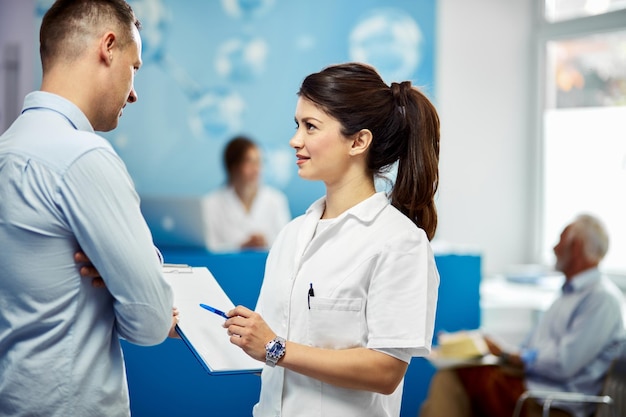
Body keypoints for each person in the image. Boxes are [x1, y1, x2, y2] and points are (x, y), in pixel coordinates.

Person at [223, 62, 441, 416]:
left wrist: (277, 348)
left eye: (310, 126)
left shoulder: (399, 242)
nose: (296, 140)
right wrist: (181, 321)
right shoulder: (292, 234)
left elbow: (386, 371)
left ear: (358, 141)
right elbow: (259, 340)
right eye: (297, 125)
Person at [0, 1, 176, 416]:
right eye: (134, 67)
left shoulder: (8, 149)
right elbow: (152, 323)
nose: (133, 92)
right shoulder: (84, 157)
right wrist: (139, 271)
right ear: (108, 46)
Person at [419, 214, 626, 417]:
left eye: (560, 241)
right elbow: (532, 350)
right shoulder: (567, 295)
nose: (554, 248)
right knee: (452, 380)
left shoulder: (601, 300)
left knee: (451, 380)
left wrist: (508, 355)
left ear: (577, 247)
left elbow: (564, 364)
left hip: (550, 403)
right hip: (532, 387)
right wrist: (496, 351)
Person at [202, 135, 291, 251]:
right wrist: (239, 247)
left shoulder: (276, 200)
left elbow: (286, 243)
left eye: (259, 162)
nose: (256, 169)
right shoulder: (211, 203)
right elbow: (209, 247)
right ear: (233, 166)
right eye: (249, 162)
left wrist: (266, 242)